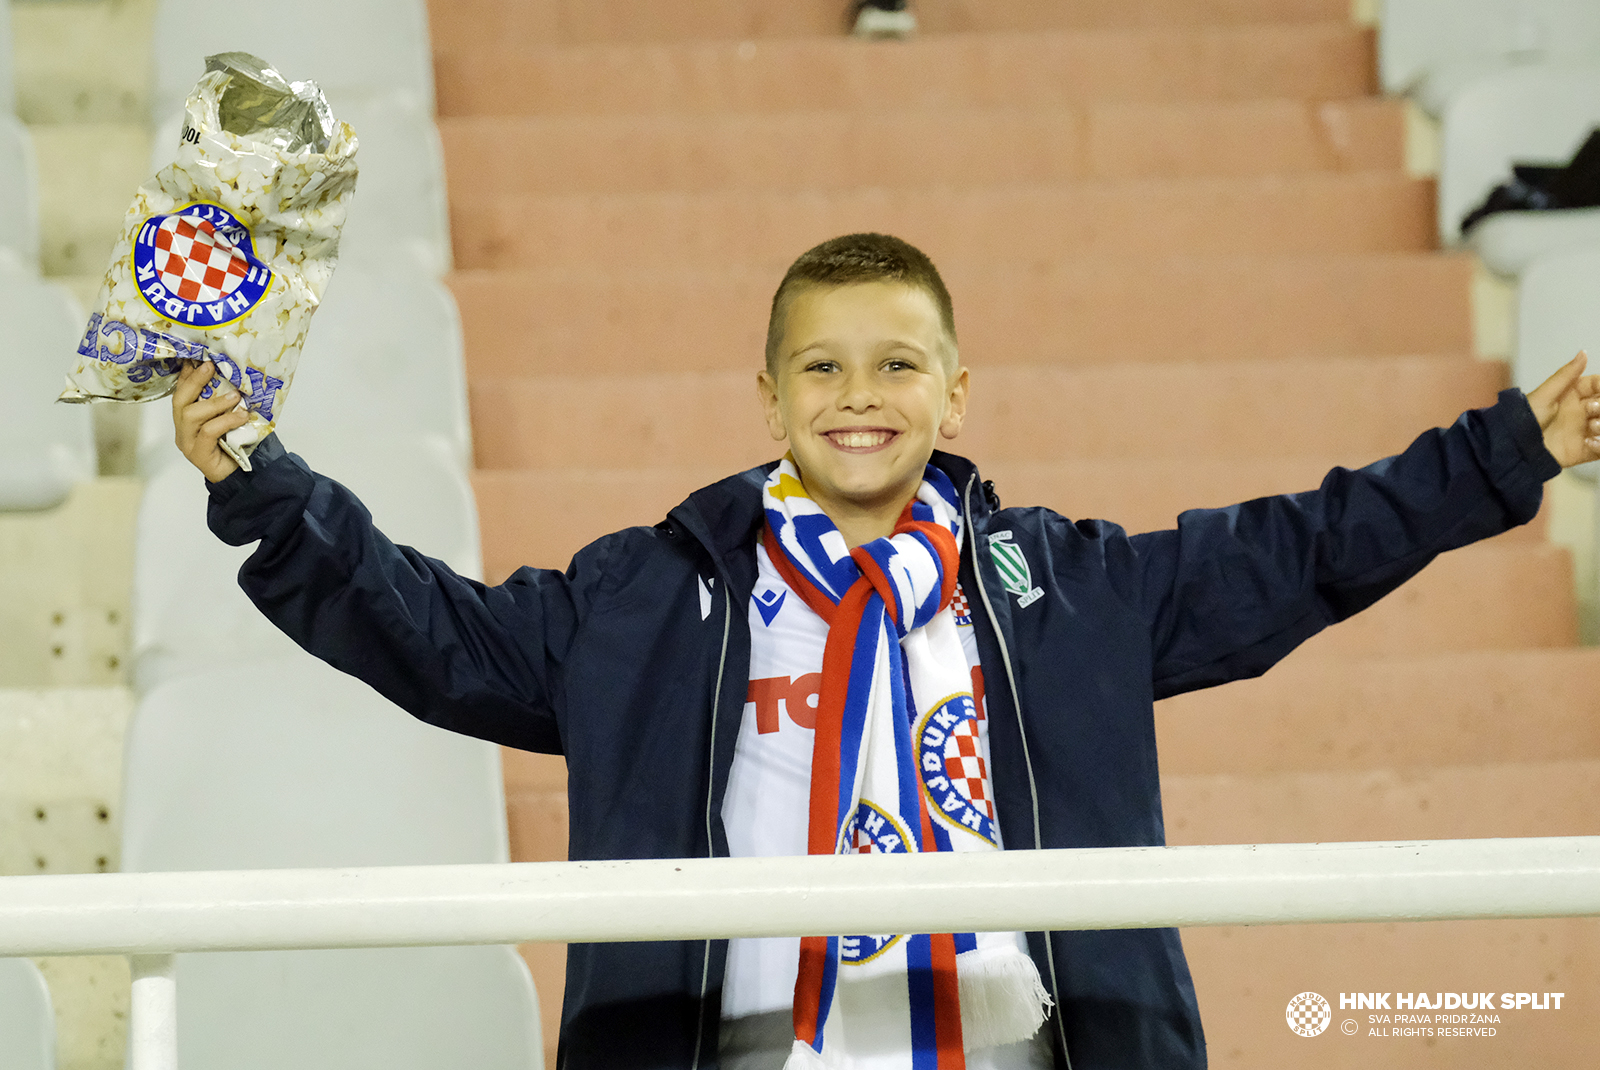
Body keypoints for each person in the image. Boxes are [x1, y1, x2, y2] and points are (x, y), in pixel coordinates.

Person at [173, 233, 1599, 1070]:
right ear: (772, 397)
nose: (862, 395)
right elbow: (439, 634)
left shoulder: (1075, 591)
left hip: (1016, 1040)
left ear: (958, 393)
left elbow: (1306, 548)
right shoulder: (646, 598)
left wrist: (1506, 452)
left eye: (899, 363)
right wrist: (267, 485)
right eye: (825, 366)